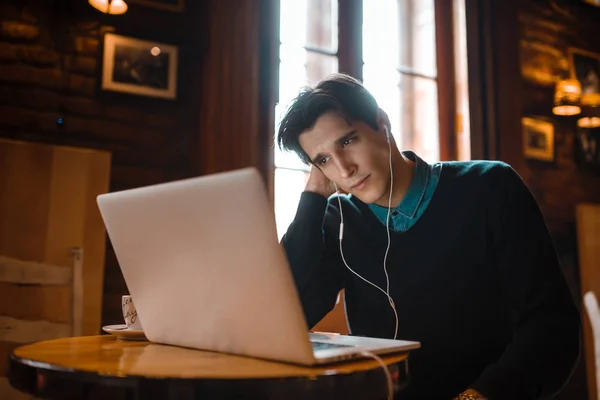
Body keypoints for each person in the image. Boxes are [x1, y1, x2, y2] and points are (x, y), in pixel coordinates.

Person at [276, 73, 580, 400]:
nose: (344, 168)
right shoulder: (339, 221)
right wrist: (312, 197)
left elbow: (552, 326)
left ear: (382, 123)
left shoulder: (491, 188)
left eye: (347, 141)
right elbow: (286, 318)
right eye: (323, 160)